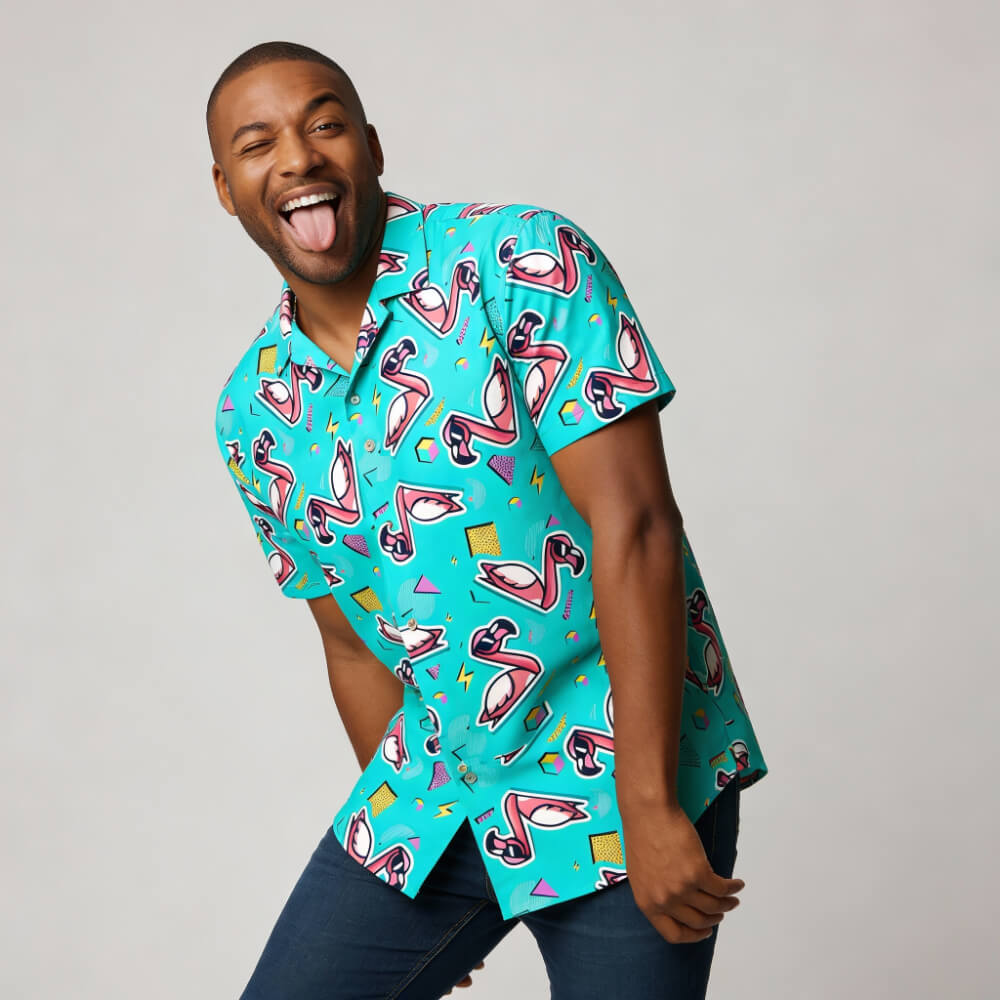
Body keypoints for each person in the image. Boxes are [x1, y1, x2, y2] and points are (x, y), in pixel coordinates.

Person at [207, 39, 769, 1000]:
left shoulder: (520, 258)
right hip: (440, 785)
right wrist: (410, 878)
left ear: (372, 146)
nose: (298, 157)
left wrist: (649, 799)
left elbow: (634, 523)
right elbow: (349, 645)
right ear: (226, 189)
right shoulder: (251, 409)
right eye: (259, 144)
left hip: (616, 760)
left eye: (325, 123)